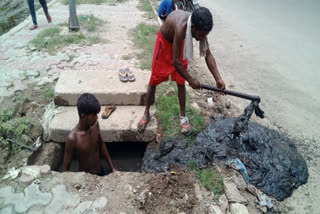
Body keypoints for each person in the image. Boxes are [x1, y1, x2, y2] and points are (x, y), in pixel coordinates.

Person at [137, 7, 226, 135]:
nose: (203, 38)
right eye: (201, 35)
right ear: (193, 28)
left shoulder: (199, 29)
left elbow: (208, 55)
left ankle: (183, 117)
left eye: (205, 35)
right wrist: (191, 80)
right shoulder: (181, 27)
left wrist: (218, 78)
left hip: (179, 44)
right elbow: (176, 62)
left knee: (180, 82)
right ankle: (146, 113)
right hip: (165, 43)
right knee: (154, 80)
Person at [63, 93, 116, 176]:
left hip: (100, 171)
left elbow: (101, 145)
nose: (97, 117)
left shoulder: (95, 125)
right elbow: (66, 169)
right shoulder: (73, 138)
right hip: (86, 178)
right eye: (94, 115)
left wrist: (113, 168)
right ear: (83, 116)